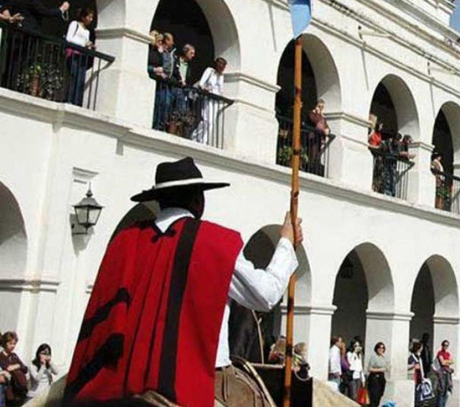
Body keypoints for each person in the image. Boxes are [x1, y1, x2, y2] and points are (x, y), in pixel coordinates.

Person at [64, 157, 301, 407]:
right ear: (198, 200)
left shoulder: (126, 241)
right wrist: (286, 241)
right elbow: (266, 295)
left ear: (159, 200)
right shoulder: (214, 242)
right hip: (203, 376)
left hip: (122, 377)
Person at [191, 57, 227, 145]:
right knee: (206, 120)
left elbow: (220, 90)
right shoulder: (210, 71)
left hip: (215, 101)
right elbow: (201, 84)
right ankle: (195, 137)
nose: (222, 69)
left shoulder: (221, 77)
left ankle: (204, 140)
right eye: (221, 66)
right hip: (208, 99)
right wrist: (206, 89)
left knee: (211, 122)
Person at [64, 7, 96, 106]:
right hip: (73, 54)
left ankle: (77, 101)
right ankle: (69, 99)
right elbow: (69, 38)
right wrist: (83, 44)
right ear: (83, 17)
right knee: (73, 76)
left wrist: (89, 46)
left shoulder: (87, 31)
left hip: (82, 56)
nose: (90, 19)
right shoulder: (75, 24)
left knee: (80, 78)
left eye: (92, 18)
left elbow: (85, 43)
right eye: (89, 17)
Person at [0, 332, 27, 406]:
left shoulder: (14, 356)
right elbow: (6, 369)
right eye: (11, 343)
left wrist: (17, 365)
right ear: (5, 343)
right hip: (7, 392)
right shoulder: (1, 357)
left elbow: (25, 369)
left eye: (14, 344)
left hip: (19, 391)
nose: (13, 346)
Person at [307, 99, 331, 174]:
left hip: (319, 138)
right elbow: (315, 121)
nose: (321, 108)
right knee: (312, 152)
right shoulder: (312, 114)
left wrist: (327, 129)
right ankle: (310, 166)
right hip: (313, 137)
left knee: (317, 153)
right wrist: (318, 114)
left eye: (322, 107)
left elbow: (326, 126)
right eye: (319, 106)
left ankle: (315, 166)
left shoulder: (322, 117)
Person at [366, 342, 388, 407]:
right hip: (375, 378)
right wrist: (380, 370)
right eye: (379, 348)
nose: (381, 349)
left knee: (379, 396)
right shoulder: (374, 357)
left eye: (382, 348)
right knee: (374, 397)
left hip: (381, 378)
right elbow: (369, 369)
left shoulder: (383, 357)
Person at [435, 340, 454, 407]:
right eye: (444, 345)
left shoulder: (448, 354)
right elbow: (442, 363)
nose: (445, 346)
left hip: (447, 373)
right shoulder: (440, 353)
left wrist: (446, 361)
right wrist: (447, 361)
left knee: (446, 391)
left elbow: (452, 361)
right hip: (442, 373)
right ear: (442, 345)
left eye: (447, 345)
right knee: (441, 391)